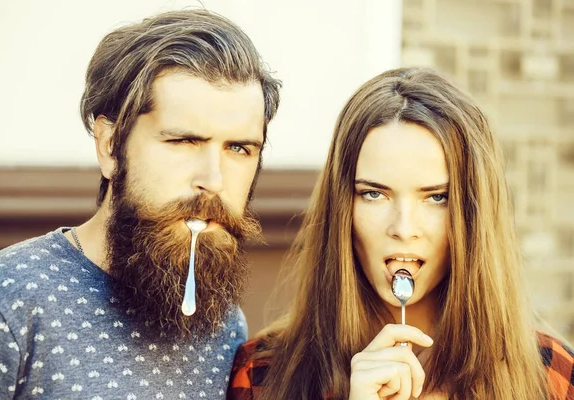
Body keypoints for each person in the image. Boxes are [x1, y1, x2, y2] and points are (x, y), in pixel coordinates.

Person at [0, 8, 281, 399]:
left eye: (239, 148)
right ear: (109, 145)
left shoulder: (223, 324)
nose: (213, 181)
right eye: (184, 141)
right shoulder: (1, 304)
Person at [227, 67, 574, 400]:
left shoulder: (552, 376)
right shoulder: (263, 375)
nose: (404, 229)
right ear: (341, 208)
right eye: (374, 194)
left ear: (472, 216)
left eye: (437, 198)